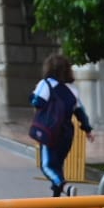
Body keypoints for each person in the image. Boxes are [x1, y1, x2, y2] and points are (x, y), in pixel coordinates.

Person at [31, 54, 94, 197]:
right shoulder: (72, 89)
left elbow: (37, 102)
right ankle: (56, 198)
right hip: (67, 133)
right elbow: (80, 112)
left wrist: (33, 96)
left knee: (46, 166)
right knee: (57, 164)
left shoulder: (45, 84)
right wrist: (88, 130)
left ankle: (65, 187)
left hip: (50, 131)